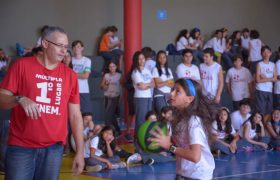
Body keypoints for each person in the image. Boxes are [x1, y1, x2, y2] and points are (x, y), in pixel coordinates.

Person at [0, 26, 84, 179]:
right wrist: (19, 98)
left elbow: (75, 116)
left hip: (54, 150)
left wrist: (80, 152)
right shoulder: (22, 66)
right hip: (21, 147)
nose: (64, 50)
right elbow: (2, 98)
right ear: (45, 44)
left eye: (66, 46)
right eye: (59, 45)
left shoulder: (70, 75)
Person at [149, 78, 219, 180]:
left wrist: (169, 146)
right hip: (183, 173)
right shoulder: (177, 118)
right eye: (173, 89)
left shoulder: (194, 121)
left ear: (189, 99)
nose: (172, 93)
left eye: (178, 91)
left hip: (198, 175)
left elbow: (195, 156)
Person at [131, 51, 154, 152]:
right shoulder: (135, 72)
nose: (141, 60)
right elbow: (142, 86)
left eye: (143, 58)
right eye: (139, 59)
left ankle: (145, 143)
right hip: (140, 98)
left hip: (148, 97)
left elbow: (153, 83)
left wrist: (146, 85)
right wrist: (147, 85)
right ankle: (137, 145)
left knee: (148, 121)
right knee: (140, 121)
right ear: (136, 60)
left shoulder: (147, 70)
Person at [100, 60, 123, 135]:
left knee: (108, 117)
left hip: (115, 97)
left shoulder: (119, 75)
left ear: (116, 67)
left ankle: (109, 133)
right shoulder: (106, 75)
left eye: (113, 66)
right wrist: (106, 84)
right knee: (111, 116)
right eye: (110, 66)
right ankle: (117, 130)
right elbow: (102, 87)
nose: (112, 68)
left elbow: (122, 88)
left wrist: (121, 98)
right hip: (107, 97)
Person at [255, 45, 277, 123]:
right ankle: (260, 128)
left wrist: (264, 78)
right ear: (261, 54)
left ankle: (263, 126)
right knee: (260, 111)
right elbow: (257, 80)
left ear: (270, 53)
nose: (266, 54)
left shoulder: (273, 64)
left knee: (269, 110)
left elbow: (275, 79)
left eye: (267, 52)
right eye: (264, 52)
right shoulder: (259, 64)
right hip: (260, 90)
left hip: (269, 90)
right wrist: (270, 79)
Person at [72, 40, 93, 114]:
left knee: (87, 115)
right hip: (72, 91)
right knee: (74, 113)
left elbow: (85, 76)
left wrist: (72, 74)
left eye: (78, 46)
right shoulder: (70, 60)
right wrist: (79, 74)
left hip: (84, 90)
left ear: (82, 48)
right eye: (74, 47)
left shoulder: (87, 60)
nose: (76, 48)